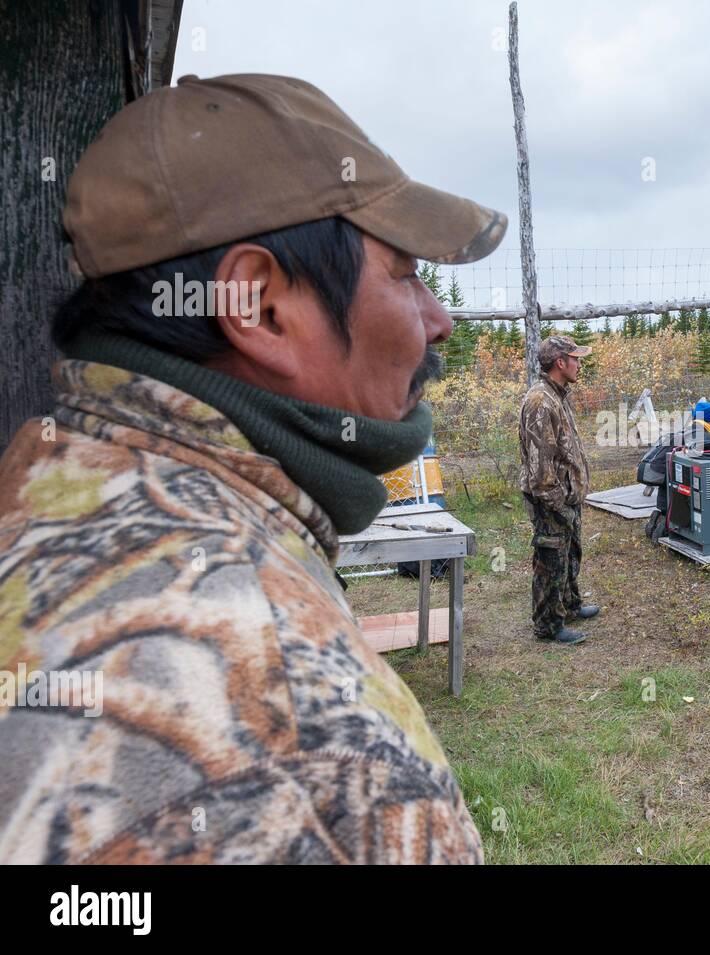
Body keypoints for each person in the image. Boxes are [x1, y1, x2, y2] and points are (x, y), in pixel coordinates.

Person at [0, 74, 504, 863]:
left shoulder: (39, 479)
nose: (439, 322)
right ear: (260, 308)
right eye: (406, 273)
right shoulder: (298, 725)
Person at [519, 335, 600, 644]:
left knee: (568, 553)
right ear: (560, 363)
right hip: (550, 500)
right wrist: (560, 506)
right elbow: (541, 472)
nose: (580, 364)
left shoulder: (558, 395)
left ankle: (568, 604)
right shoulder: (541, 401)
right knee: (550, 559)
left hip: (565, 496)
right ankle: (548, 625)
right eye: (576, 359)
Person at [643, 398, 710, 542]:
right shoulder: (703, 437)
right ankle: (668, 527)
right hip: (671, 474)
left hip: (661, 471)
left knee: (671, 487)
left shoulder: (690, 429)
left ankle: (660, 516)